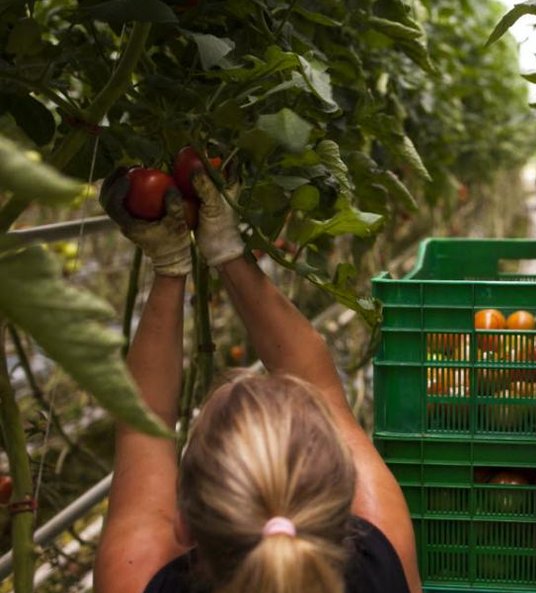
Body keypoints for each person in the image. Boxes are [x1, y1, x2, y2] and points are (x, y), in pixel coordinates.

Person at [92, 169, 422, 593]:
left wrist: (171, 265)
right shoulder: (380, 561)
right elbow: (319, 384)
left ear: (183, 523)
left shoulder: (138, 577)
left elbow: (144, 420)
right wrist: (227, 247)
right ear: (345, 496)